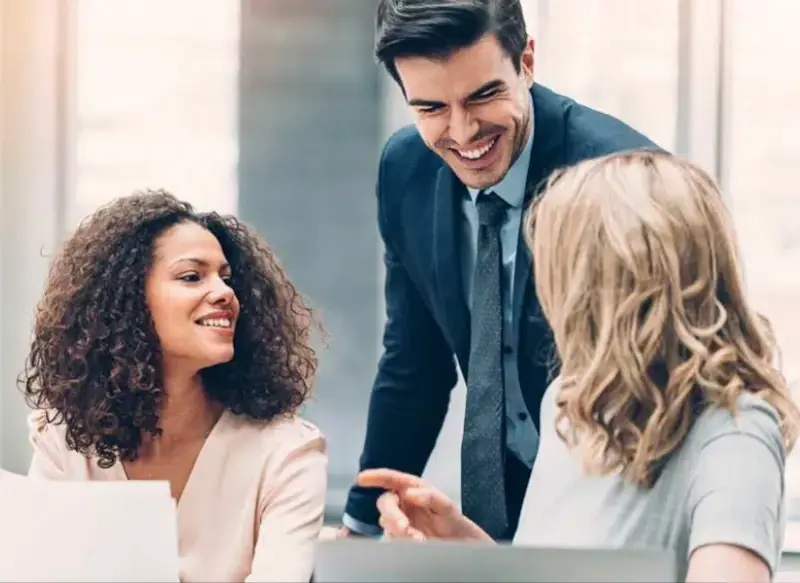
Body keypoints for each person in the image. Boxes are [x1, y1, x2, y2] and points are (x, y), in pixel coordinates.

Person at [359, 150, 800, 582]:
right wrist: (461, 545)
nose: (547, 295)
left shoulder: (735, 433)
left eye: (557, 269)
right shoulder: (569, 400)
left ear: (613, 289)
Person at [342, 0, 658, 541]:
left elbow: (659, 382)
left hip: (614, 496)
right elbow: (414, 363)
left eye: (483, 95)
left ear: (527, 60)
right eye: (430, 108)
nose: (462, 133)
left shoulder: (621, 175)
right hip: (500, 508)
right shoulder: (406, 170)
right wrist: (364, 523)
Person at [22, 191, 328, 583]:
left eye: (226, 277)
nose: (224, 293)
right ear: (126, 301)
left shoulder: (287, 454)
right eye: (191, 276)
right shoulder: (64, 442)